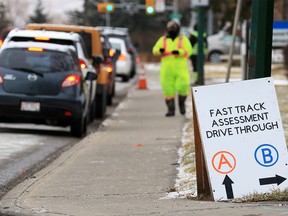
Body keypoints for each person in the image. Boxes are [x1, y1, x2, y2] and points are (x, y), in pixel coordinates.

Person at [152, 20, 193, 117]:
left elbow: (189, 50)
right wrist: (159, 51)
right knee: (168, 89)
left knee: (183, 86)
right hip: (167, 69)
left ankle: (182, 105)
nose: (172, 30)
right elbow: (155, 50)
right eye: (170, 28)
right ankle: (171, 110)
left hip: (181, 68)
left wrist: (179, 52)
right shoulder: (163, 40)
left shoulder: (183, 40)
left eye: (173, 28)